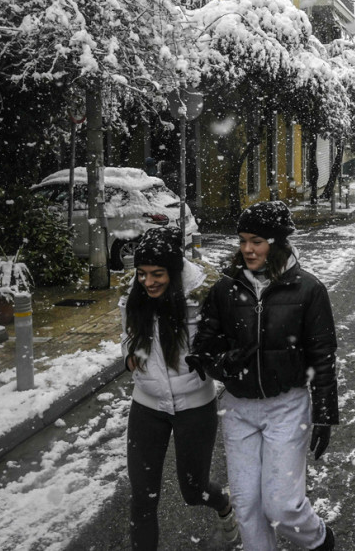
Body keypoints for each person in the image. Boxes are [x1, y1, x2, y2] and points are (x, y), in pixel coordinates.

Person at [192, 201, 338, 551]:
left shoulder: (308, 290)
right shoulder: (225, 290)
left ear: (278, 243)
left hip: (287, 407)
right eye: (242, 240)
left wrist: (324, 415)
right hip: (239, 410)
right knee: (248, 508)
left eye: (256, 241)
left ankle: (318, 540)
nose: (247, 249)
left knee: (282, 506)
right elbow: (203, 349)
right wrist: (225, 362)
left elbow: (322, 357)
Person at [119, 227, 237, 550]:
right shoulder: (135, 296)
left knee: (193, 490)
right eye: (142, 274)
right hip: (147, 406)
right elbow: (128, 337)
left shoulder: (203, 296)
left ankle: (223, 503)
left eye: (157, 274)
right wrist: (132, 356)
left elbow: (228, 342)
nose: (149, 282)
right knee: (143, 498)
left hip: (195, 407)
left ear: (174, 270)